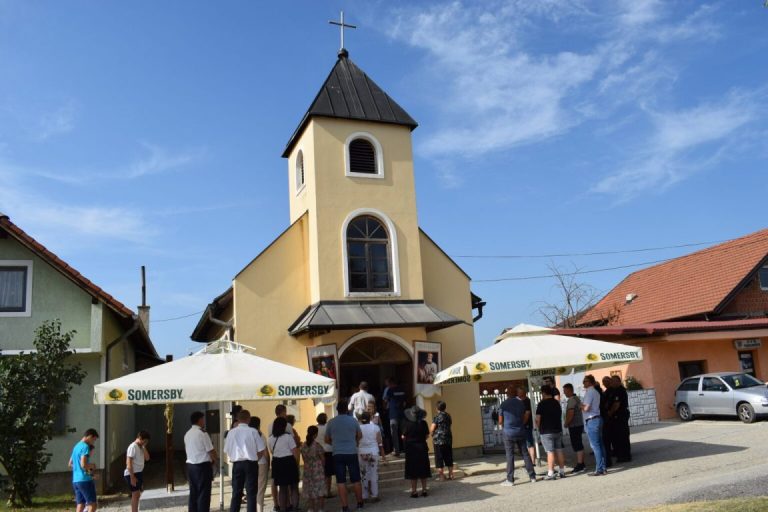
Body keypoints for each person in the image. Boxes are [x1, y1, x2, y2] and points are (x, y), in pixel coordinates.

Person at [224, 409, 266, 512]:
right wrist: (256, 459)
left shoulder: (231, 432)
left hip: (237, 464)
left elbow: (227, 450)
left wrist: (234, 457)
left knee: (236, 492)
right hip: (251, 463)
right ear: (249, 419)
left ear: (238, 419)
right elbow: (261, 450)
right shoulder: (253, 431)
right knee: (251, 493)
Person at [326, 400, 364, 512]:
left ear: (337, 410)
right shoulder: (353, 420)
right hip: (351, 452)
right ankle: (360, 503)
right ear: (347, 409)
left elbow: (326, 439)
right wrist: (355, 442)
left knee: (341, 481)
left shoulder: (331, 422)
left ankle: (345, 506)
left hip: (337, 453)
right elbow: (360, 435)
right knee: (356, 479)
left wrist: (335, 444)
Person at [498, 387, 536, 486]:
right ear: (516, 393)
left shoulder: (503, 404)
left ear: (507, 394)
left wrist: (505, 425)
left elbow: (500, 421)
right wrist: (521, 424)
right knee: (525, 454)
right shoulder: (521, 403)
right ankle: (532, 476)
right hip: (520, 431)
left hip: (508, 433)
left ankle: (510, 480)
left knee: (510, 455)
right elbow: (525, 416)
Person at [185, 411, 218, 512]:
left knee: (193, 493)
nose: (204, 421)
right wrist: (215, 460)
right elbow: (211, 450)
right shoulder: (203, 434)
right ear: (199, 420)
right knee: (204, 494)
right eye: (203, 419)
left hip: (191, 467)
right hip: (202, 467)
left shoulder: (187, 433)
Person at [536, 385, 566, 480]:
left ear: (543, 393)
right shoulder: (556, 403)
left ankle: (550, 472)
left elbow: (538, 419)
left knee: (550, 452)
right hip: (557, 429)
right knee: (559, 450)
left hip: (546, 431)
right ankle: (562, 471)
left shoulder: (541, 404)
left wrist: (538, 427)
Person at [269, 417, 300, 512]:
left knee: (282, 488)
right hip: (289, 462)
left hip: (277, 463)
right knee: (294, 487)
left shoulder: (270, 438)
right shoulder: (288, 437)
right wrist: (297, 464)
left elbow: (271, 451)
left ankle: (282, 508)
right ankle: (294, 508)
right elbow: (295, 452)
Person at [402, 405, 431, 498]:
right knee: (423, 469)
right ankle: (424, 490)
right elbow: (427, 436)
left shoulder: (407, 423)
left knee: (412, 471)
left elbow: (403, 436)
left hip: (411, 449)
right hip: (422, 447)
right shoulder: (423, 423)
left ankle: (414, 491)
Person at [268, 405, 293, 510]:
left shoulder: (270, 425)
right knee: (286, 483)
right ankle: (287, 503)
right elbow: (292, 442)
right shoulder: (287, 425)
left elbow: (271, 442)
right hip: (286, 457)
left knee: (275, 482)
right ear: (283, 412)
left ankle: (276, 504)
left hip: (275, 457)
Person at [582, 375, 607, 476]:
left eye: (586, 381)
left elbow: (586, 408)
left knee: (595, 446)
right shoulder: (596, 392)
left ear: (591, 382)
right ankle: (603, 467)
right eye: (584, 381)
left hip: (592, 420)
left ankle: (600, 469)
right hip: (597, 418)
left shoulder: (589, 392)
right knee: (600, 445)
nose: (584, 383)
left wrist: (580, 405)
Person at [69, 428, 99, 512]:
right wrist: (92, 465)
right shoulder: (85, 446)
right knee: (92, 504)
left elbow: (70, 464)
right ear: (90, 436)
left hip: (76, 480)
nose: (93, 442)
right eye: (94, 439)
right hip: (85, 480)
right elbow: (83, 465)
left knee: (80, 504)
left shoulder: (76, 446)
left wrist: (89, 472)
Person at [358, 411, 385, 502]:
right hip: (373, 451)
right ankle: (375, 495)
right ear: (370, 418)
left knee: (364, 475)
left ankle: (364, 496)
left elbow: (356, 440)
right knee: (374, 474)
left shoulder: (358, 428)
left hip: (362, 452)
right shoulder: (375, 427)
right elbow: (379, 440)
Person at [300, 425, 327, 512]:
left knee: (309, 489)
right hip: (317, 469)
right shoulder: (317, 445)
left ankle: (310, 508)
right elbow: (323, 459)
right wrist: (323, 467)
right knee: (320, 488)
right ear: (315, 434)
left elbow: (304, 459)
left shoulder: (303, 445)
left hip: (307, 469)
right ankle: (320, 509)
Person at [124, 430, 150, 512]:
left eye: (146, 442)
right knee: (135, 494)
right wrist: (132, 477)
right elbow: (129, 463)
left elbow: (147, 458)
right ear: (139, 438)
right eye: (144, 441)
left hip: (138, 472)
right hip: (132, 473)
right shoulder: (132, 447)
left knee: (137, 494)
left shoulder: (141, 447)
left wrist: (144, 447)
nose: (145, 443)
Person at [248, 417, 270, 512]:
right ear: (258, 425)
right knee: (260, 490)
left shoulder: (247, 434)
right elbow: (265, 453)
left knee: (251, 489)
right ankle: (259, 509)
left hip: (249, 463)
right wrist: (268, 464)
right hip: (262, 463)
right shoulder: (261, 435)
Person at [563, 384, 586, 474]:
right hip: (578, 424)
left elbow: (570, 413)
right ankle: (581, 463)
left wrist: (566, 423)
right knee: (578, 443)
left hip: (575, 425)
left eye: (565, 391)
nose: (564, 392)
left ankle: (580, 464)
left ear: (569, 390)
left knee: (577, 444)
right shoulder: (576, 398)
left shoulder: (572, 400)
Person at [430, 401, 454, 481]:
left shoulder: (436, 417)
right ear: (445, 407)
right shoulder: (448, 416)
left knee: (439, 458)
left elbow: (432, 428)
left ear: (437, 408)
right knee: (449, 456)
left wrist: (432, 434)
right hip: (448, 439)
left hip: (438, 440)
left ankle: (441, 477)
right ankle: (451, 475)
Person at [610, 375, 632, 462]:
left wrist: (610, 413)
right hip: (619, 416)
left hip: (621, 415)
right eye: (612, 381)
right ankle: (622, 455)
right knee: (619, 436)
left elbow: (616, 404)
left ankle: (625, 456)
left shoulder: (620, 390)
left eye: (614, 381)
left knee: (623, 436)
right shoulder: (615, 390)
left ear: (618, 381)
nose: (612, 382)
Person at [382, 378, 405, 456]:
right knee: (403, 432)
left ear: (391, 383)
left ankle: (396, 450)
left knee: (394, 433)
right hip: (402, 414)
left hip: (393, 414)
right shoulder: (402, 389)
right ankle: (405, 449)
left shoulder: (390, 390)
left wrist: (385, 409)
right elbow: (405, 402)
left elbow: (385, 401)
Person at [315, 413, 335, 498]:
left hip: (317, 451)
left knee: (320, 472)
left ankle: (320, 491)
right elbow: (331, 438)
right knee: (328, 473)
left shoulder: (315, 428)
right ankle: (328, 491)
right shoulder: (328, 427)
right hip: (328, 450)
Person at [516, 387, 536, 464]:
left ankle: (532, 462)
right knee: (524, 444)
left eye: (518, 391)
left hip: (526, 425)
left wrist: (522, 424)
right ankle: (528, 461)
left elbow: (527, 415)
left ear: (523, 393)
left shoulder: (527, 402)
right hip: (522, 426)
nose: (517, 393)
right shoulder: (519, 401)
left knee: (529, 443)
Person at [285, 415, 301, 510]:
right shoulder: (292, 432)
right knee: (294, 485)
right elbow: (296, 442)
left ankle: (287, 504)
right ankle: (294, 505)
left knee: (285, 486)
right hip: (293, 459)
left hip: (283, 461)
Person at [601, 376, 617, 468]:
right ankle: (612, 453)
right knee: (609, 438)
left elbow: (613, 403)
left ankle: (613, 454)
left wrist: (609, 413)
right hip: (607, 417)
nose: (605, 383)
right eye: (604, 382)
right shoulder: (606, 391)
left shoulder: (612, 391)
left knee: (610, 437)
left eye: (606, 381)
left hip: (610, 417)